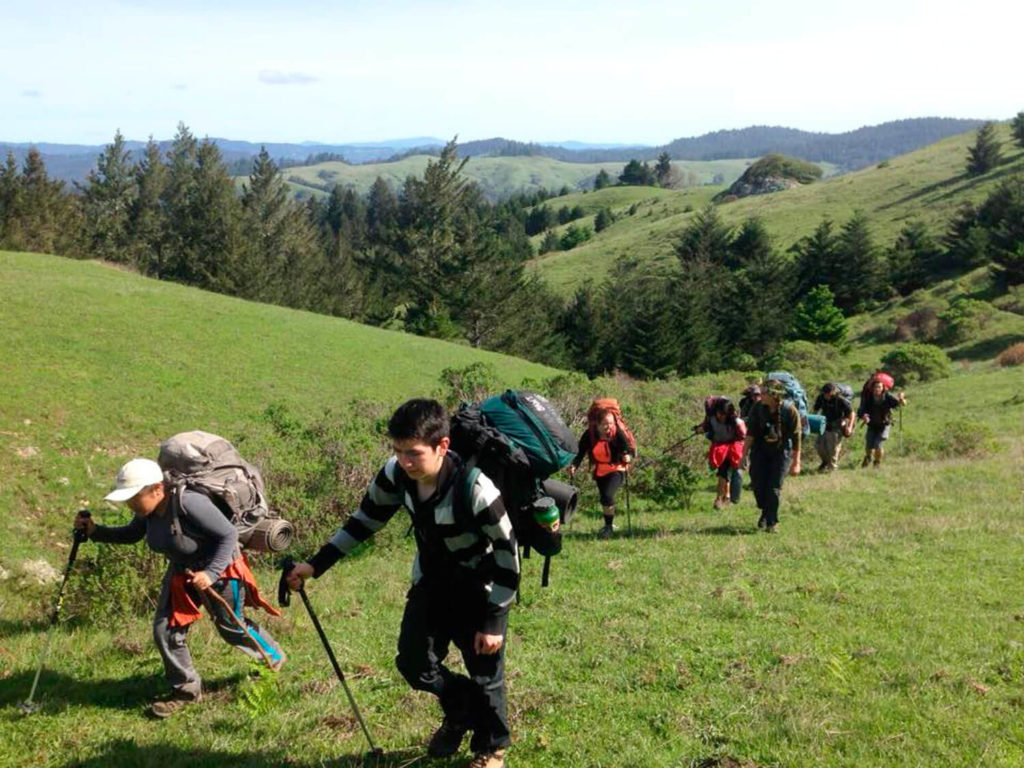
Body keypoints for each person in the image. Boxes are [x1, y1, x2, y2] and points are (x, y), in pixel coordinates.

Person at [285, 399, 519, 768]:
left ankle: (492, 749)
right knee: (414, 664)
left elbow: (508, 555)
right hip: (431, 583)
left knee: (485, 673)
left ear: (442, 446)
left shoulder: (476, 490)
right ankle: (462, 711)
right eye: (397, 451)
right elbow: (365, 520)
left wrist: (494, 623)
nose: (404, 461)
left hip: (480, 591)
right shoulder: (396, 474)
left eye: (414, 453)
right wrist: (316, 565)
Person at [73, 458, 284, 718]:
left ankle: (272, 656)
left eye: (134, 497)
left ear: (157, 489)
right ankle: (185, 690)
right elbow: (131, 535)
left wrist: (210, 573)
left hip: (221, 570)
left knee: (231, 626)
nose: (130, 504)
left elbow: (228, 535)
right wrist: (95, 531)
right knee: (166, 630)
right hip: (182, 573)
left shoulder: (189, 502)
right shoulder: (148, 512)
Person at [743, 379, 802, 532]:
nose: (759, 396)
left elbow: (797, 438)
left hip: (781, 452)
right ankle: (765, 511)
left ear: (774, 395)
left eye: (763, 393)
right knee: (758, 485)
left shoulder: (790, 411)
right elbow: (751, 433)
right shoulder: (757, 408)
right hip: (760, 451)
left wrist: (796, 462)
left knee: (774, 488)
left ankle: (772, 522)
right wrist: (743, 456)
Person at [568, 408, 633, 539]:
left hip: (617, 469)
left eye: (611, 423)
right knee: (604, 498)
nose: (608, 427)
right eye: (605, 424)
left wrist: (628, 457)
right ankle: (608, 524)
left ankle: (608, 528)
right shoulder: (589, 435)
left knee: (608, 495)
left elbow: (629, 450)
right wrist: (574, 465)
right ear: (596, 424)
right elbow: (580, 453)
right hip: (600, 470)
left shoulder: (617, 433)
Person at [694, 398, 746, 510]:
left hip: (733, 450)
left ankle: (722, 498)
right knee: (723, 473)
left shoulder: (737, 422)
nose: (721, 417)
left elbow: (744, 437)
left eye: (724, 415)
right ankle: (722, 497)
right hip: (720, 449)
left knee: (727, 474)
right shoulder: (712, 419)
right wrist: (699, 429)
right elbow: (706, 428)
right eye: (720, 414)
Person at [857, 379, 907, 468]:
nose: (877, 389)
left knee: (878, 445)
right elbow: (861, 410)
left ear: (883, 388)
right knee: (868, 446)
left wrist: (902, 399)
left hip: (884, 425)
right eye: (875, 387)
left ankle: (877, 462)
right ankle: (868, 457)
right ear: (872, 388)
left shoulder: (887, 397)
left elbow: (899, 404)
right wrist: (864, 416)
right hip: (872, 425)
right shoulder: (868, 398)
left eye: (879, 387)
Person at [813, 383, 855, 472]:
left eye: (828, 394)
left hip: (837, 425)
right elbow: (816, 409)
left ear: (832, 392)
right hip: (823, 423)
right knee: (818, 445)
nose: (826, 396)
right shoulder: (821, 398)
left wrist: (849, 427)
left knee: (832, 448)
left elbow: (851, 413)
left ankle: (832, 468)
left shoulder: (840, 400)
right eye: (825, 394)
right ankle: (825, 462)